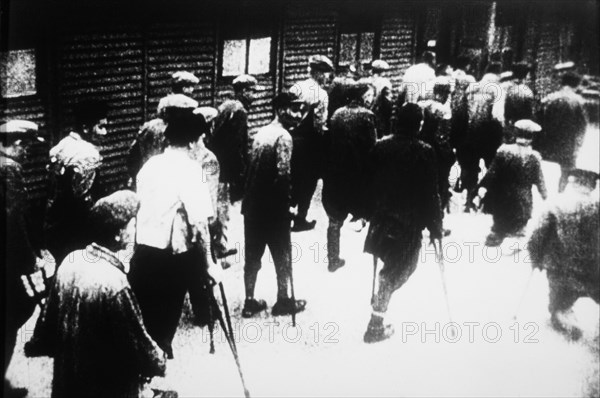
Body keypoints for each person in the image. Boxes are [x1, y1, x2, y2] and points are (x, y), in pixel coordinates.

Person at [25, 190, 167, 398]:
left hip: (68, 383)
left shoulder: (71, 260)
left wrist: (39, 344)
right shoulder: (115, 283)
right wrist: (158, 361)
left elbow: (47, 325)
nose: (136, 230)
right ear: (119, 233)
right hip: (106, 387)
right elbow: (137, 343)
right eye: (133, 225)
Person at [129, 106, 220, 359]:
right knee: (163, 325)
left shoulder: (149, 166)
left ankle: (139, 379)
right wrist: (210, 264)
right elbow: (201, 226)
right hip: (171, 258)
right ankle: (149, 384)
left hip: (143, 252)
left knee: (141, 319)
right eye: (201, 139)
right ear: (192, 142)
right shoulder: (191, 171)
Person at [363, 103, 443, 343]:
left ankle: (380, 299)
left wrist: (367, 211)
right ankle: (375, 324)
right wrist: (436, 227)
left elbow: (367, 181)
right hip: (407, 225)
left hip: (381, 221)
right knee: (398, 271)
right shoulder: (424, 151)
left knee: (389, 266)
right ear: (418, 125)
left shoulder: (380, 146)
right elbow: (431, 194)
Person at [241, 91, 307, 318]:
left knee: (252, 256)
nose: (298, 114)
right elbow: (283, 174)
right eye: (294, 109)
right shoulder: (283, 137)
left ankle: (249, 302)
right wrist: (288, 206)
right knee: (283, 255)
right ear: (280, 110)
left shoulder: (261, 132)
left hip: (252, 207)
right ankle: (284, 301)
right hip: (273, 209)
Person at [528, 165, 599, 340]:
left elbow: (537, 236)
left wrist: (535, 260)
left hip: (560, 268)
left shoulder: (555, 204)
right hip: (593, 269)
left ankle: (564, 316)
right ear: (592, 185)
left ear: (571, 181)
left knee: (559, 305)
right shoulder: (597, 206)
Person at [1, 120, 42, 398]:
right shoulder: (10, 169)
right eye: (27, 146)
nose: (28, 153)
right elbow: (14, 220)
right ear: (16, 144)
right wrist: (31, 261)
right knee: (14, 314)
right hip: (8, 261)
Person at [44, 99, 108, 265]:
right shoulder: (88, 153)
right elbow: (83, 196)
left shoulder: (62, 144)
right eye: (101, 127)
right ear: (86, 128)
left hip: (56, 219)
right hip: (77, 224)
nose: (105, 133)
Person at [324, 81, 377, 273]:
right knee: (371, 209)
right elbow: (372, 145)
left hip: (336, 172)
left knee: (334, 220)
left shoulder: (337, 114)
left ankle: (333, 258)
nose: (371, 99)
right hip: (358, 173)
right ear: (362, 97)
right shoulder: (367, 116)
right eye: (370, 96)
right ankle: (374, 251)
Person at [478, 120, 548, 246]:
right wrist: (544, 195)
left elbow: (492, 173)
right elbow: (539, 179)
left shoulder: (504, 151)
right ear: (531, 138)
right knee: (520, 222)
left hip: (503, 197)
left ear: (516, 134)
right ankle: (516, 235)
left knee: (499, 219)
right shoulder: (534, 157)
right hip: (523, 200)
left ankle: (497, 233)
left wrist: (482, 187)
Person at [289, 55, 334, 231]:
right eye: (324, 73)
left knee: (293, 176)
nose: (326, 77)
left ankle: (288, 212)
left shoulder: (296, 87)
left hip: (293, 137)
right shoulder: (321, 94)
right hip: (310, 142)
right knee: (309, 180)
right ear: (317, 73)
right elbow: (318, 124)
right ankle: (300, 219)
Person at [127, 90, 199, 187]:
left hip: (146, 180)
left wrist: (136, 178)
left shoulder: (148, 127)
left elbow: (133, 155)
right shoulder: (178, 133)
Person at [535, 71, 588, 192]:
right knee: (566, 172)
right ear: (577, 84)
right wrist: (578, 146)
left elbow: (539, 120)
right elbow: (582, 127)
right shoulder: (578, 101)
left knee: (542, 169)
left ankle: (543, 191)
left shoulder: (548, 98)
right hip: (567, 145)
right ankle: (561, 191)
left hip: (548, 143)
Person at [418, 76, 455, 227]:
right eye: (447, 94)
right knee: (440, 189)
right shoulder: (444, 111)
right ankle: (436, 224)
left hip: (421, 152)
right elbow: (442, 138)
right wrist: (449, 157)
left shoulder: (421, 106)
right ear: (443, 93)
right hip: (437, 156)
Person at [498, 62, 535, 144]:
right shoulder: (527, 91)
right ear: (525, 75)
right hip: (525, 127)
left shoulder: (510, 90)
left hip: (513, 126)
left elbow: (506, 113)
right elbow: (530, 112)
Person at [369, 60, 393, 138]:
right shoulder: (385, 83)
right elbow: (388, 103)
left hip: (369, 112)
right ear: (382, 71)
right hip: (380, 114)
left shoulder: (369, 80)